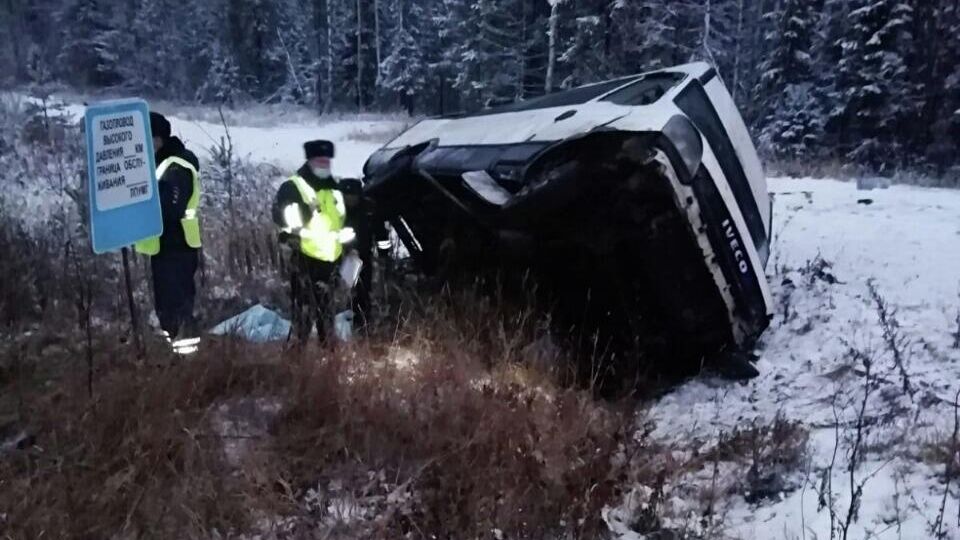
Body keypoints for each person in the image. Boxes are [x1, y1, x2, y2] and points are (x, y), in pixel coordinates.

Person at [272, 140, 355, 344]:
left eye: (327, 161)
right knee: (303, 317)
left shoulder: (335, 189)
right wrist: (306, 210)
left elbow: (343, 221)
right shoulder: (293, 187)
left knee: (327, 317)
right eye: (320, 160)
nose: (324, 164)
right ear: (309, 161)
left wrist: (350, 249)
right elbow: (284, 220)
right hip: (304, 260)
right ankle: (297, 363)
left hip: (332, 261)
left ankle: (328, 363)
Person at [134, 112, 202, 355]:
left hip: (177, 247)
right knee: (167, 307)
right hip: (165, 247)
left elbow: (169, 206)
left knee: (177, 309)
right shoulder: (159, 164)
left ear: (158, 139)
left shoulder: (177, 167)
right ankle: (172, 355)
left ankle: (188, 366)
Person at [339, 177, 390, 330]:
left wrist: (383, 255)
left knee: (363, 293)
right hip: (338, 257)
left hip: (363, 258)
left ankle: (361, 326)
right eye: (347, 196)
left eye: (353, 195)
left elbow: (381, 235)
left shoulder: (369, 209)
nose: (350, 199)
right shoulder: (334, 210)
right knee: (338, 292)